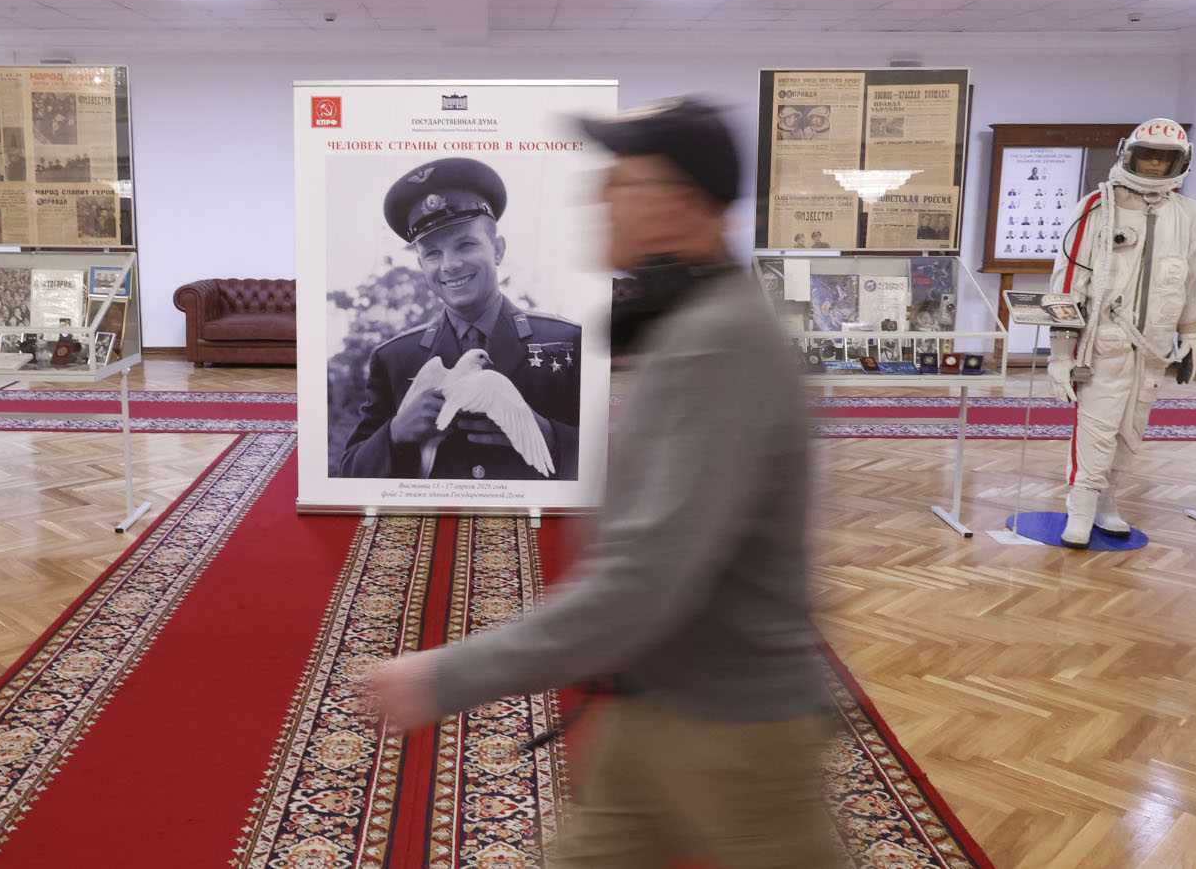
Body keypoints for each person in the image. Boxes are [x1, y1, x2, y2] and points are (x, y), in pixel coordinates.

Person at [369, 97, 838, 869]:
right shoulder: (695, 324)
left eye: (621, 182)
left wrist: (448, 674)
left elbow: (643, 579)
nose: (600, 198)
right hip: (658, 702)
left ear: (683, 203)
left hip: (736, 734)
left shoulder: (715, 345)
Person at [338, 157, 581, 480]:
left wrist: (549, 437)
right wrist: (395, 433)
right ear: (421, 265)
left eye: (465, 244)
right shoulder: (394, 358)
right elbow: (349, 475)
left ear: (497, 249)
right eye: (432, 253)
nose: (450, 265)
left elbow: (612, 458)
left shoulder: (567, 342)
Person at [1049, 118, 1196, 548]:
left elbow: (1194, 280)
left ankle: (1107, 501)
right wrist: (1060, 353)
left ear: (1181, 162)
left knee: (1131, 429)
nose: (1154, 165)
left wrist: (1192, 336)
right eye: (1147, 156)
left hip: (1154, 346)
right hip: (1104, 341)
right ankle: (1081, 506)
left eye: (1164, 159)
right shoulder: (1096, 207)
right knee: (1097, 425)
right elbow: (1067, 283)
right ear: (1128, 154)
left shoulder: (1190, 215)